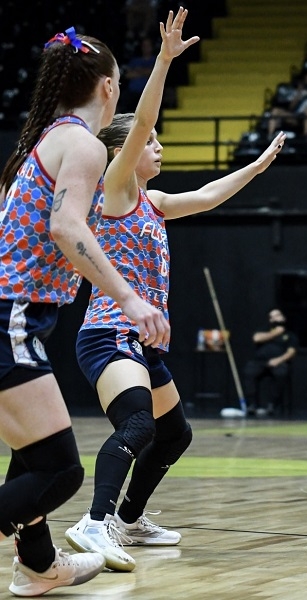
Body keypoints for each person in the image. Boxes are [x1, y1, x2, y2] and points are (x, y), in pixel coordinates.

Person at [62, 9, 284, 572]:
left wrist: (255, 168)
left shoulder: (153, 201)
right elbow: (140, 124)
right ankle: (93, 523)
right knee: (138, 423)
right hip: (108, 332)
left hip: (141, 340)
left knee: (174, 434)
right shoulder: (115, 189)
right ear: (125, 152)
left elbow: (207, 196)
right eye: (152, 142)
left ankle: (129, 520)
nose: (158, 147)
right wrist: (163, 61)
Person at [0, 25, 171, 597]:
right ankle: (39, 564)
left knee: (33, 455)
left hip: (17, 317)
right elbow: (65, 226)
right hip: (12, 316)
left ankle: (38, 567)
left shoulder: (48, 140)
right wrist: (129, 297)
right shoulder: (84, 145)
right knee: (60, 470)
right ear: (108, 88)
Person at [242, 308, 299, 417]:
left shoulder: (290, 335)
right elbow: (256, 338)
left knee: (281, 373)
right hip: (260, 362)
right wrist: (275, 333)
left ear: (283, 317)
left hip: (279, 362)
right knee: (249, 371)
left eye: (277, 315)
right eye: (272, 317)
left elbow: (291, 352)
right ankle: (252, 405)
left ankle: (272, 405)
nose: (274, 318)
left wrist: (278, 360)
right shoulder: (264, 330)